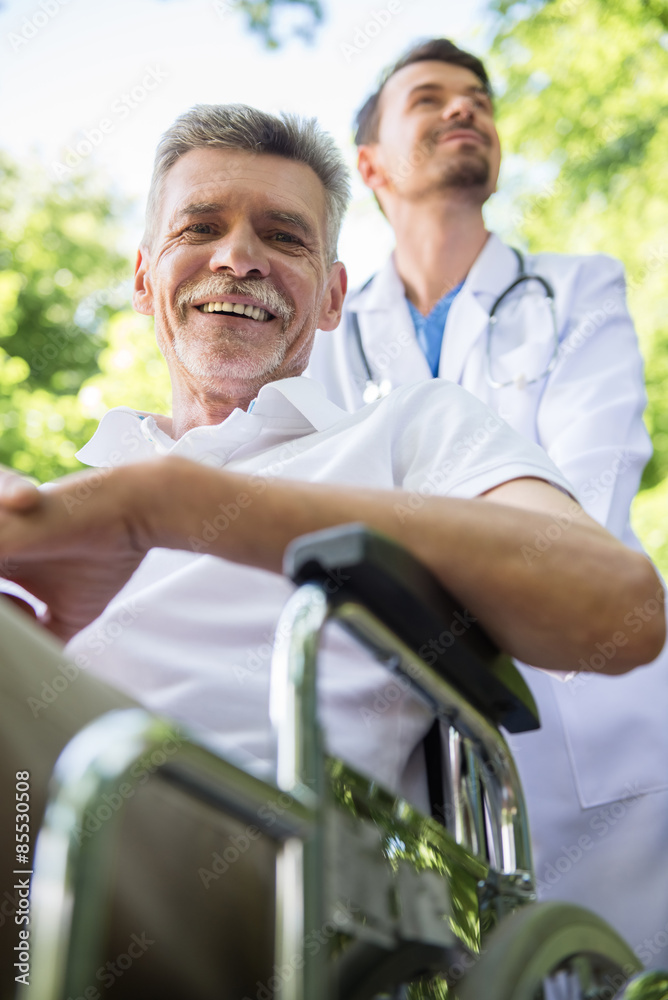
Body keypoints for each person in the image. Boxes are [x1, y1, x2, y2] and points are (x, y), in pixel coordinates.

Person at [0, 104, 662, 996]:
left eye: (284, 236)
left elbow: (617, 605)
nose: (239, 256)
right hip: (33, 834)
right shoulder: (65, 497)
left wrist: (175, 503)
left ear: (333, 296)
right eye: (200, 228)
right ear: (144, 278)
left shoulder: (408, 432)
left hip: (260, 863)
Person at [306, 38, 668, 967]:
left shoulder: (577, 291)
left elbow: (585, 508)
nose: (466, 109)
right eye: (429, 98)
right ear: (372, 164)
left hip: (587, 708)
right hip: (412, 728)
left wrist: (416, 549)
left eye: (480, 99)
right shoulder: (330, 338)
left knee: (621, 965)